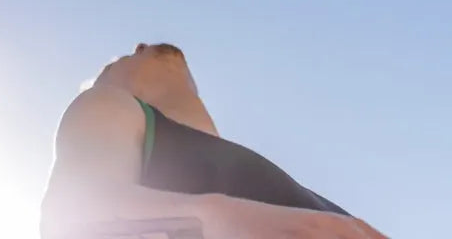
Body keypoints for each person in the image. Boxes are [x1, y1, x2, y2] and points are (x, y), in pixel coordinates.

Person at [40, 43, 388, 239]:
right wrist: (221, 219)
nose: (141, 46)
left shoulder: (292, 192)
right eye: (119, 60)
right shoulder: (109, 104)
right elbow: (73, 222)